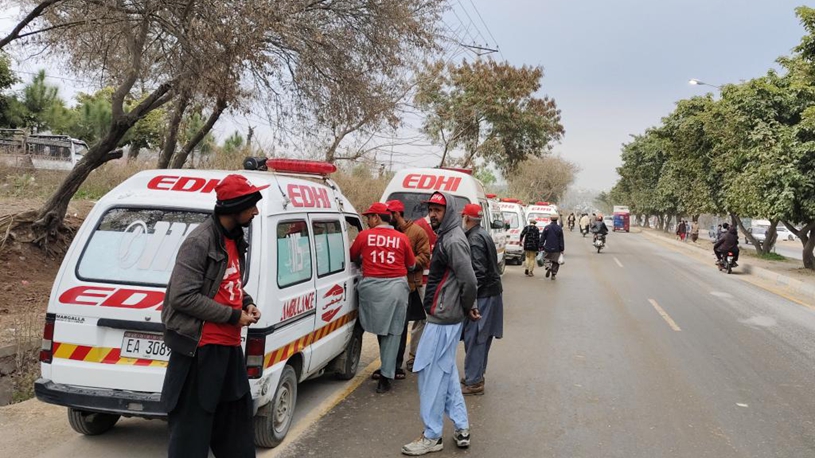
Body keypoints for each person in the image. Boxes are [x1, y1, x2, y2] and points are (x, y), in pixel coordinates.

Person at [161, 174, 264, 458]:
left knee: (237, 438)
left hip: (229, 351)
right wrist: (232, 316)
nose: (255, 211)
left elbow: (228, 283)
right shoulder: (199, 241)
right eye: (251, 206)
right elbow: (182, 297)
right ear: (235, 207)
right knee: (190, 439)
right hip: (200, 353)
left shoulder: (234, 239)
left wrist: (247, 303)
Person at [402, 192, 477, 456]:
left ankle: (432, 435)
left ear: (450, 212)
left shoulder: (453, 240)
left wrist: (466, 307)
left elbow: (469, 280)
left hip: (443, 319)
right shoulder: (448, 235)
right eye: (431, 209)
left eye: (438, 210)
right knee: (445, 371)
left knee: (430, 375)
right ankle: (462, 426)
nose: (432, 214)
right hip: (443, 316)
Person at [350, 202, 416, 393]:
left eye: (369, 217)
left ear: (377, 217)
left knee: (380, 328)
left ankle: (382, 368)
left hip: (371, 290)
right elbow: (411, 264)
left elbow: (353, 256)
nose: (367, 221)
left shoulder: (364, 236)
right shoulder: (402, 238)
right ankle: (386, 376)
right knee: (393, 331)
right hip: (396, 290)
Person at [460, 204, 503, 396]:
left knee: (476, 337)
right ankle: (475, 375)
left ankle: (475, 381)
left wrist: (472, 302)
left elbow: (478, 273)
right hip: (491, 292)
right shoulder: (482, 234)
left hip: (484, 295)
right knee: (481, 337)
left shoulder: (474, 238)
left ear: (467, 218)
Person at [386, 199, 431, 378]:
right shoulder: (387, 232)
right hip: (387, 286)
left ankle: (398, 364)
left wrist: (408, 264)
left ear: (396, 214)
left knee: (402, 326)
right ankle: (388, 365)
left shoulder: (417, 232)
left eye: (388, 214)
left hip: (408, 286)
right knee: (388, 327)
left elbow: (425, 256)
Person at [541, 215, 565, 280]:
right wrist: (562, 248)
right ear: (557, 220)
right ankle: (553, 274)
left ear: (550, 219)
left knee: (546, 258)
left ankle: (548, 266)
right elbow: (561, 239)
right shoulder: (559, 228)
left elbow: (543, 237)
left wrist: (540, 245)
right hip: (557, 248)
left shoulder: (547, 227)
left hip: (548, 247)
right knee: (556, 262)